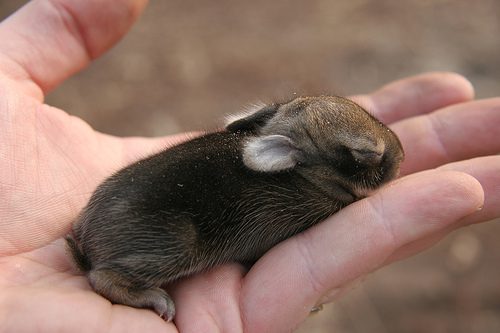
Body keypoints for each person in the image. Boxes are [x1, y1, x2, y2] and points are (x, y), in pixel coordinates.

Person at [0, 1, 498, 332]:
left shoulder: (264, 139)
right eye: (360, 155)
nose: (383, 153)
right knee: (181, 239)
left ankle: (103, 248)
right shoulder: (297, 193)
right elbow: (263, 232)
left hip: (99, 214)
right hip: (139, 231)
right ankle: (119, 279)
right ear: (281, 155)